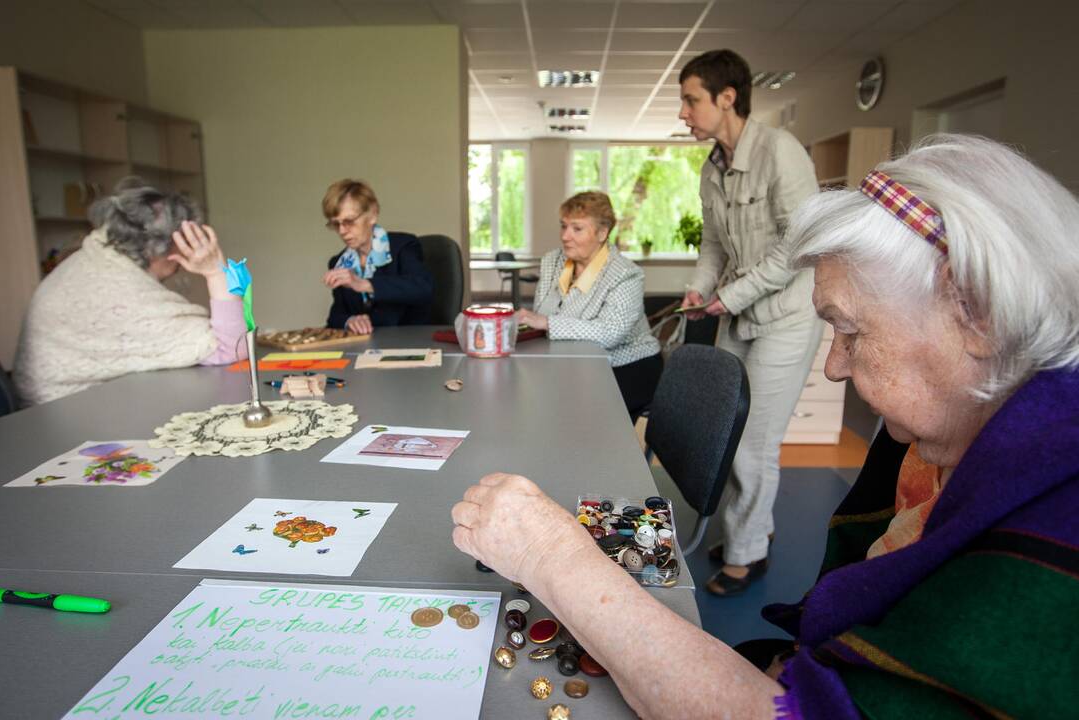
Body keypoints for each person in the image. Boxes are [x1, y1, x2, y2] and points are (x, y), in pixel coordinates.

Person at [451, 135, 1079, 718]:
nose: (833, 365)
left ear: (972, 306)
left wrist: (549, 554)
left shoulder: (1052, 542)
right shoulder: (933, 445)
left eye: (851, 331)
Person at [677, 49, 824, 595]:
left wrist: (730, 295)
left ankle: (746, 554)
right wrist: (700, 285)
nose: (684, 112)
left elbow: (799, 245)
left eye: (692, 100)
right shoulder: (709, 167)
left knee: (755, 443)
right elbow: (712, 244)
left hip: (786, 316)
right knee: (730, 429)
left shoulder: (780, 151)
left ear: (727, 97)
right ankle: (751, 533)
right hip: (738, 314)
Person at [14, 180, 247, 406]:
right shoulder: (120, 288)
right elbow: (232, 347)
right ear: (164, 246)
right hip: (58, 413)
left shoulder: (96, 257)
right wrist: (216, 271)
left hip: (55, 403)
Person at [515, 191, 661, 419]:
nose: (565, 236)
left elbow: (609, 333)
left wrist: (547, 322)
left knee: (571, 414)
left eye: (577, 228)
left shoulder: (626, 274)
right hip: (574, 362)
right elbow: (542, 317)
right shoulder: (552, 260)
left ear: (602, 233)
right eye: (563, 226)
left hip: (626, 367)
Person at [321, 179, 433, 334]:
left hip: (409, 343)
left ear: (372, 214)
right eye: (336, 224)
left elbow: (423, 288)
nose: (342, 231)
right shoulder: (339, 262)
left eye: (349, 221)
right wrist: (350, 320)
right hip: (365, 348)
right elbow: (335, 317)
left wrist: (365, 284)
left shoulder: (403, 246)